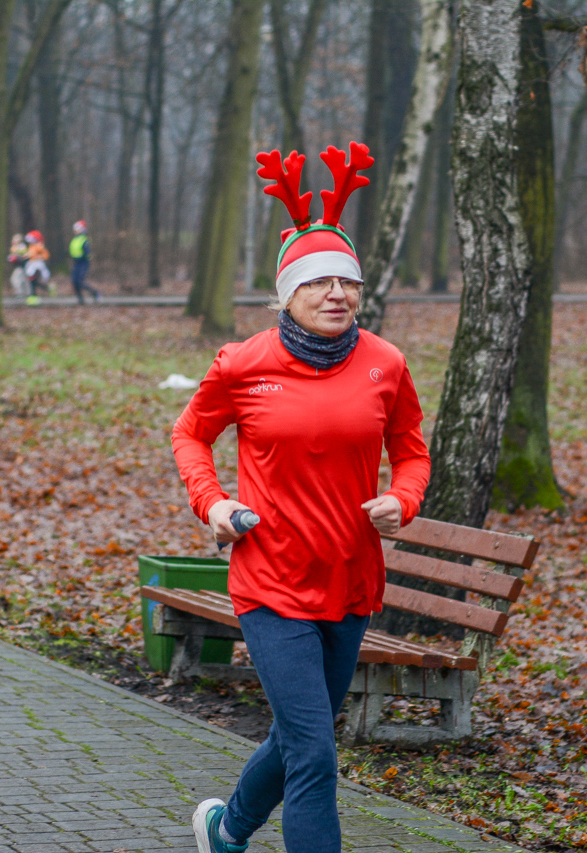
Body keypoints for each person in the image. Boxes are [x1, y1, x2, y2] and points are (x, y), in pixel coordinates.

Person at [173, 143, 430, 853]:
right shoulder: (242, 363)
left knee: (297, 734)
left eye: (346, 280)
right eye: (318, 281)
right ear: (286, 292)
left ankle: (226, 830)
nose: (336, 294)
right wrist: (214, 503)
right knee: (317, 752)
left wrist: (401, 500)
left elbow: (411, 450)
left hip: (350, 582)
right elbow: (190, 436)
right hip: (271, 580)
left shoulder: (386, 363)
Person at [69, 220, 99, 304]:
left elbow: (88, 253)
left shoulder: (84, 240)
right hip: (76, 263)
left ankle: (95, 293)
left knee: (80, 281)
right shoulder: (75, 239)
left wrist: (86, 257)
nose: (75, 231)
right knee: (74, 282)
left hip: (83, 263)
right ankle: (80, 299)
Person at [24, 230, 51, 305]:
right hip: (31, 265)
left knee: (33, 280)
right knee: (33, 282)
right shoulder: (31, 246)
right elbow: (30, 254)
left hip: (38, 266)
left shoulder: (39, 246)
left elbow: (46, 255)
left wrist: (37, 256)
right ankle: (47, 289)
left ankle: (33, 296)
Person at [7, 233, 29, 298]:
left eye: (14, 240)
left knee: (14, 279)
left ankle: (20, 293)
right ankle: (26, 294)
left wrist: (16, 258)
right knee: (24, 281)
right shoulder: (14, 248)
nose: (12, 241)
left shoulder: (22, 247)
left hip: (22, 267)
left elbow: (25, 257)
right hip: (19, 267)